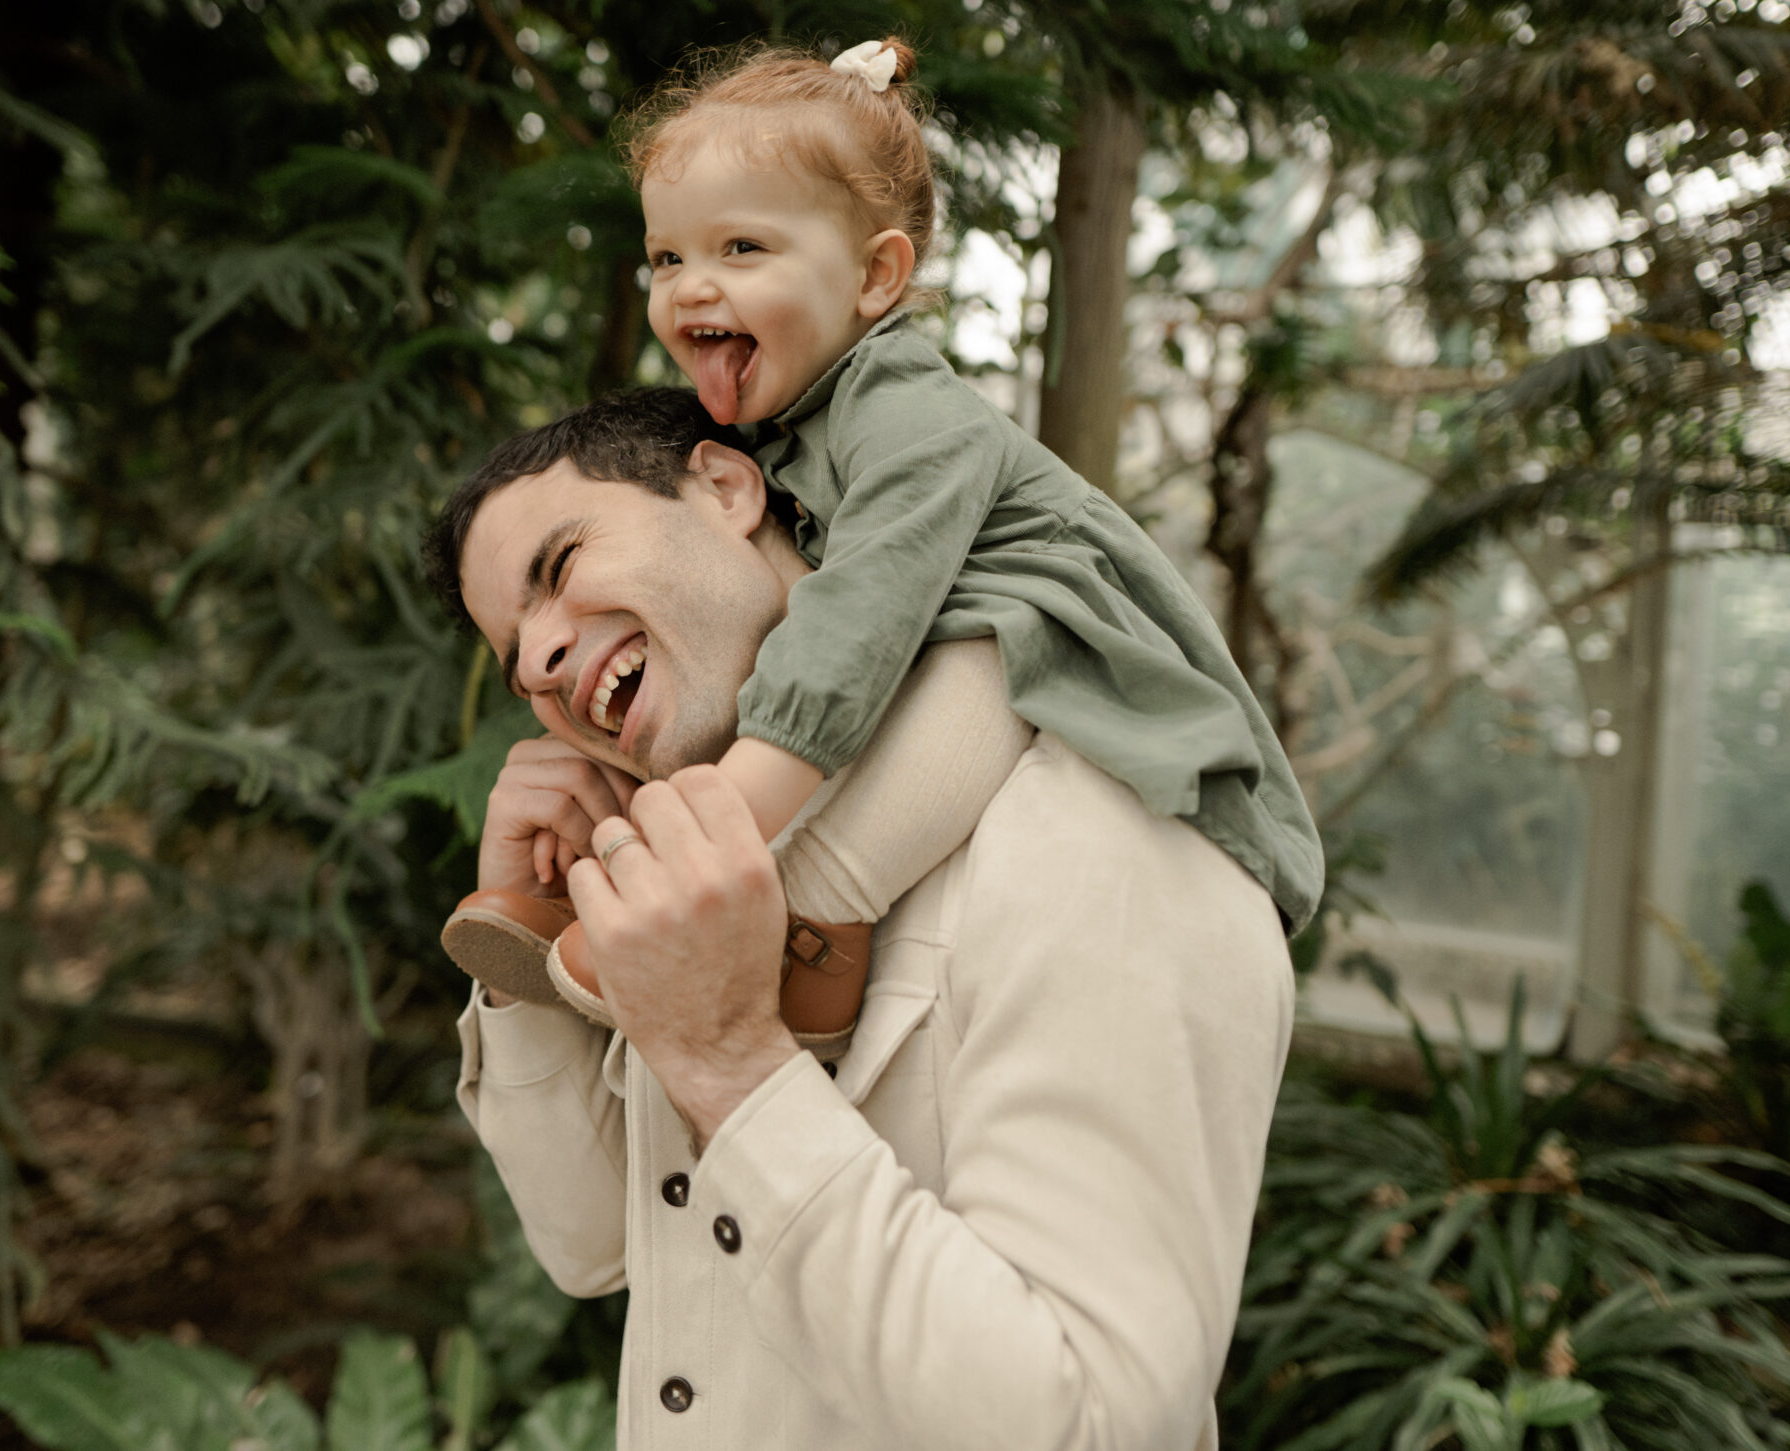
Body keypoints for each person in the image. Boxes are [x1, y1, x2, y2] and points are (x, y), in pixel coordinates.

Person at [421, 387, 1301, 1448]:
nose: (537, 666)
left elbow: (1098, 1423)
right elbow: (590, 1245)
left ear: (727, 486)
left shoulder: (1110, 840)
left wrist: (730, 1064)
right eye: (512, 653)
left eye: (559, 569)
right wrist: (527, 951)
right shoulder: (701, 871)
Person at [440, 35, 1322, 1045]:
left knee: (943, 690)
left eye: (741, 250)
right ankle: (812, 951)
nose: (689, 287)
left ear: (874, 277)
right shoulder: (787, 433)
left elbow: (860, 614)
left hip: (1050, 644)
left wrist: (721, 820)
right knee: (902, 704)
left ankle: (788, 909)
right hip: (971, 645)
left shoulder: (909, 410)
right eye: (666, 258)